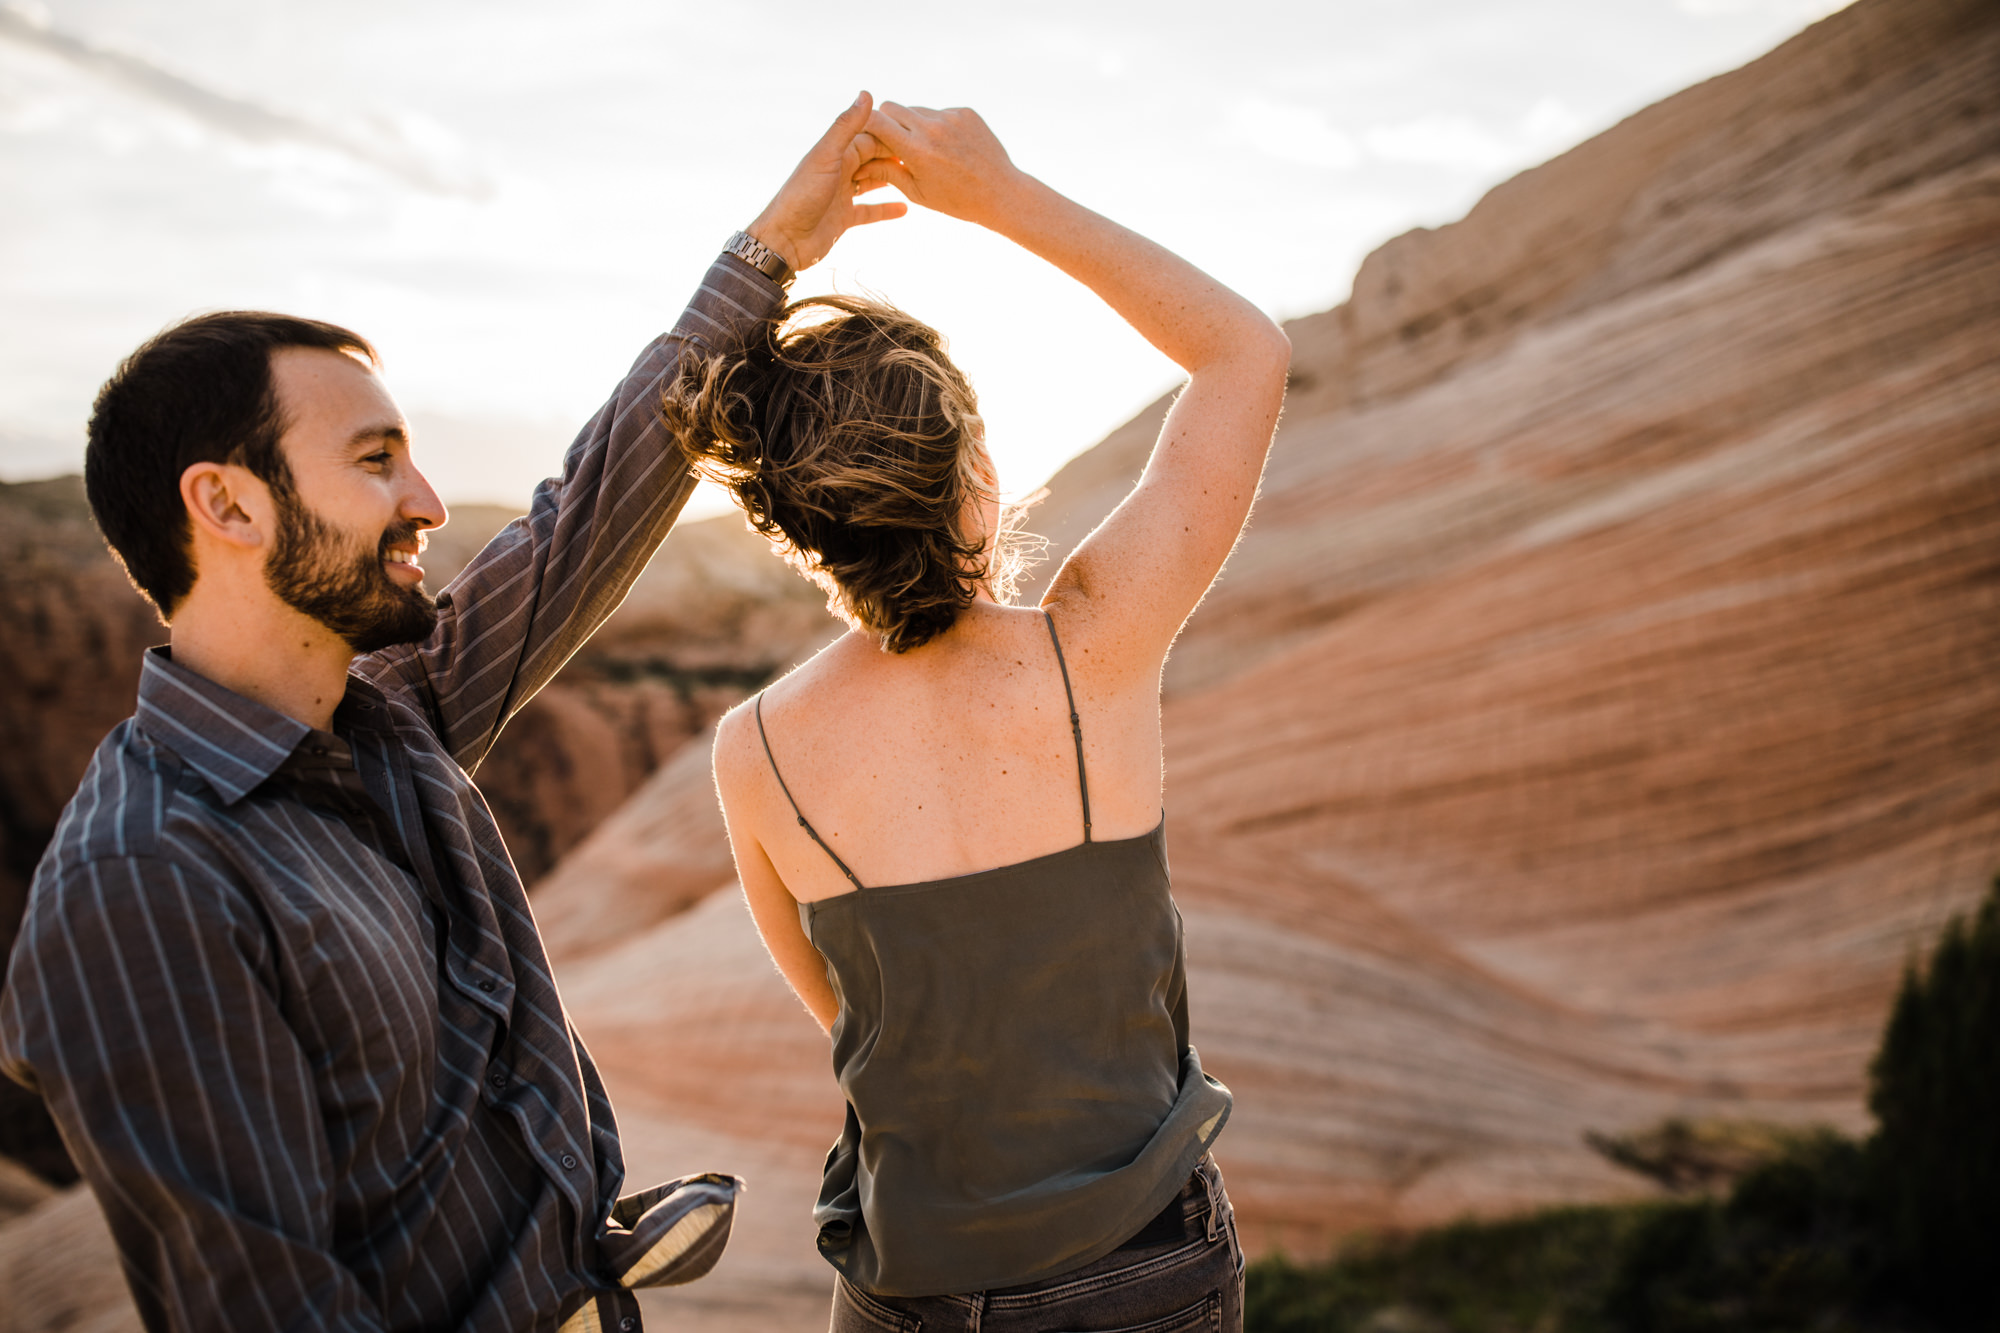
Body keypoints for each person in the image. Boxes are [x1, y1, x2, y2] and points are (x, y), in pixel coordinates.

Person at [0, 94, 905, 1333]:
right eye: (376, 460)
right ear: (227, 504)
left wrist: (769, 257)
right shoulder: (141, 882)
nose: (427, 499)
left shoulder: (383, 723)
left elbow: (577, 521)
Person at [669, 104, 1290, 1332]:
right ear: (977, 476)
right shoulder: (1087, 652)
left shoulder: (756, 754)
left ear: (799, 536)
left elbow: (855, 1015)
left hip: (908, 1290)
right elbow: (1241, 352)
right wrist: (999, 193)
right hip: (1141, 1277)